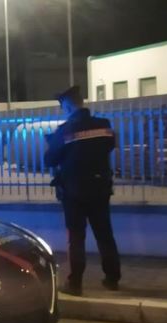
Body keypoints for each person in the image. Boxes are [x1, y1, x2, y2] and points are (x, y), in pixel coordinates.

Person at [44, 85, 121, 296]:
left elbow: (49, 159)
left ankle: (75, 283)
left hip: (74, 192)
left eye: (63, 107)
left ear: (68, 106)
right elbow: (109, 145)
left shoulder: (64, 130)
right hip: (100, 188)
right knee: (105, 235)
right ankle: (112, 279)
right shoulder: (104, 125)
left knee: (76, 237)